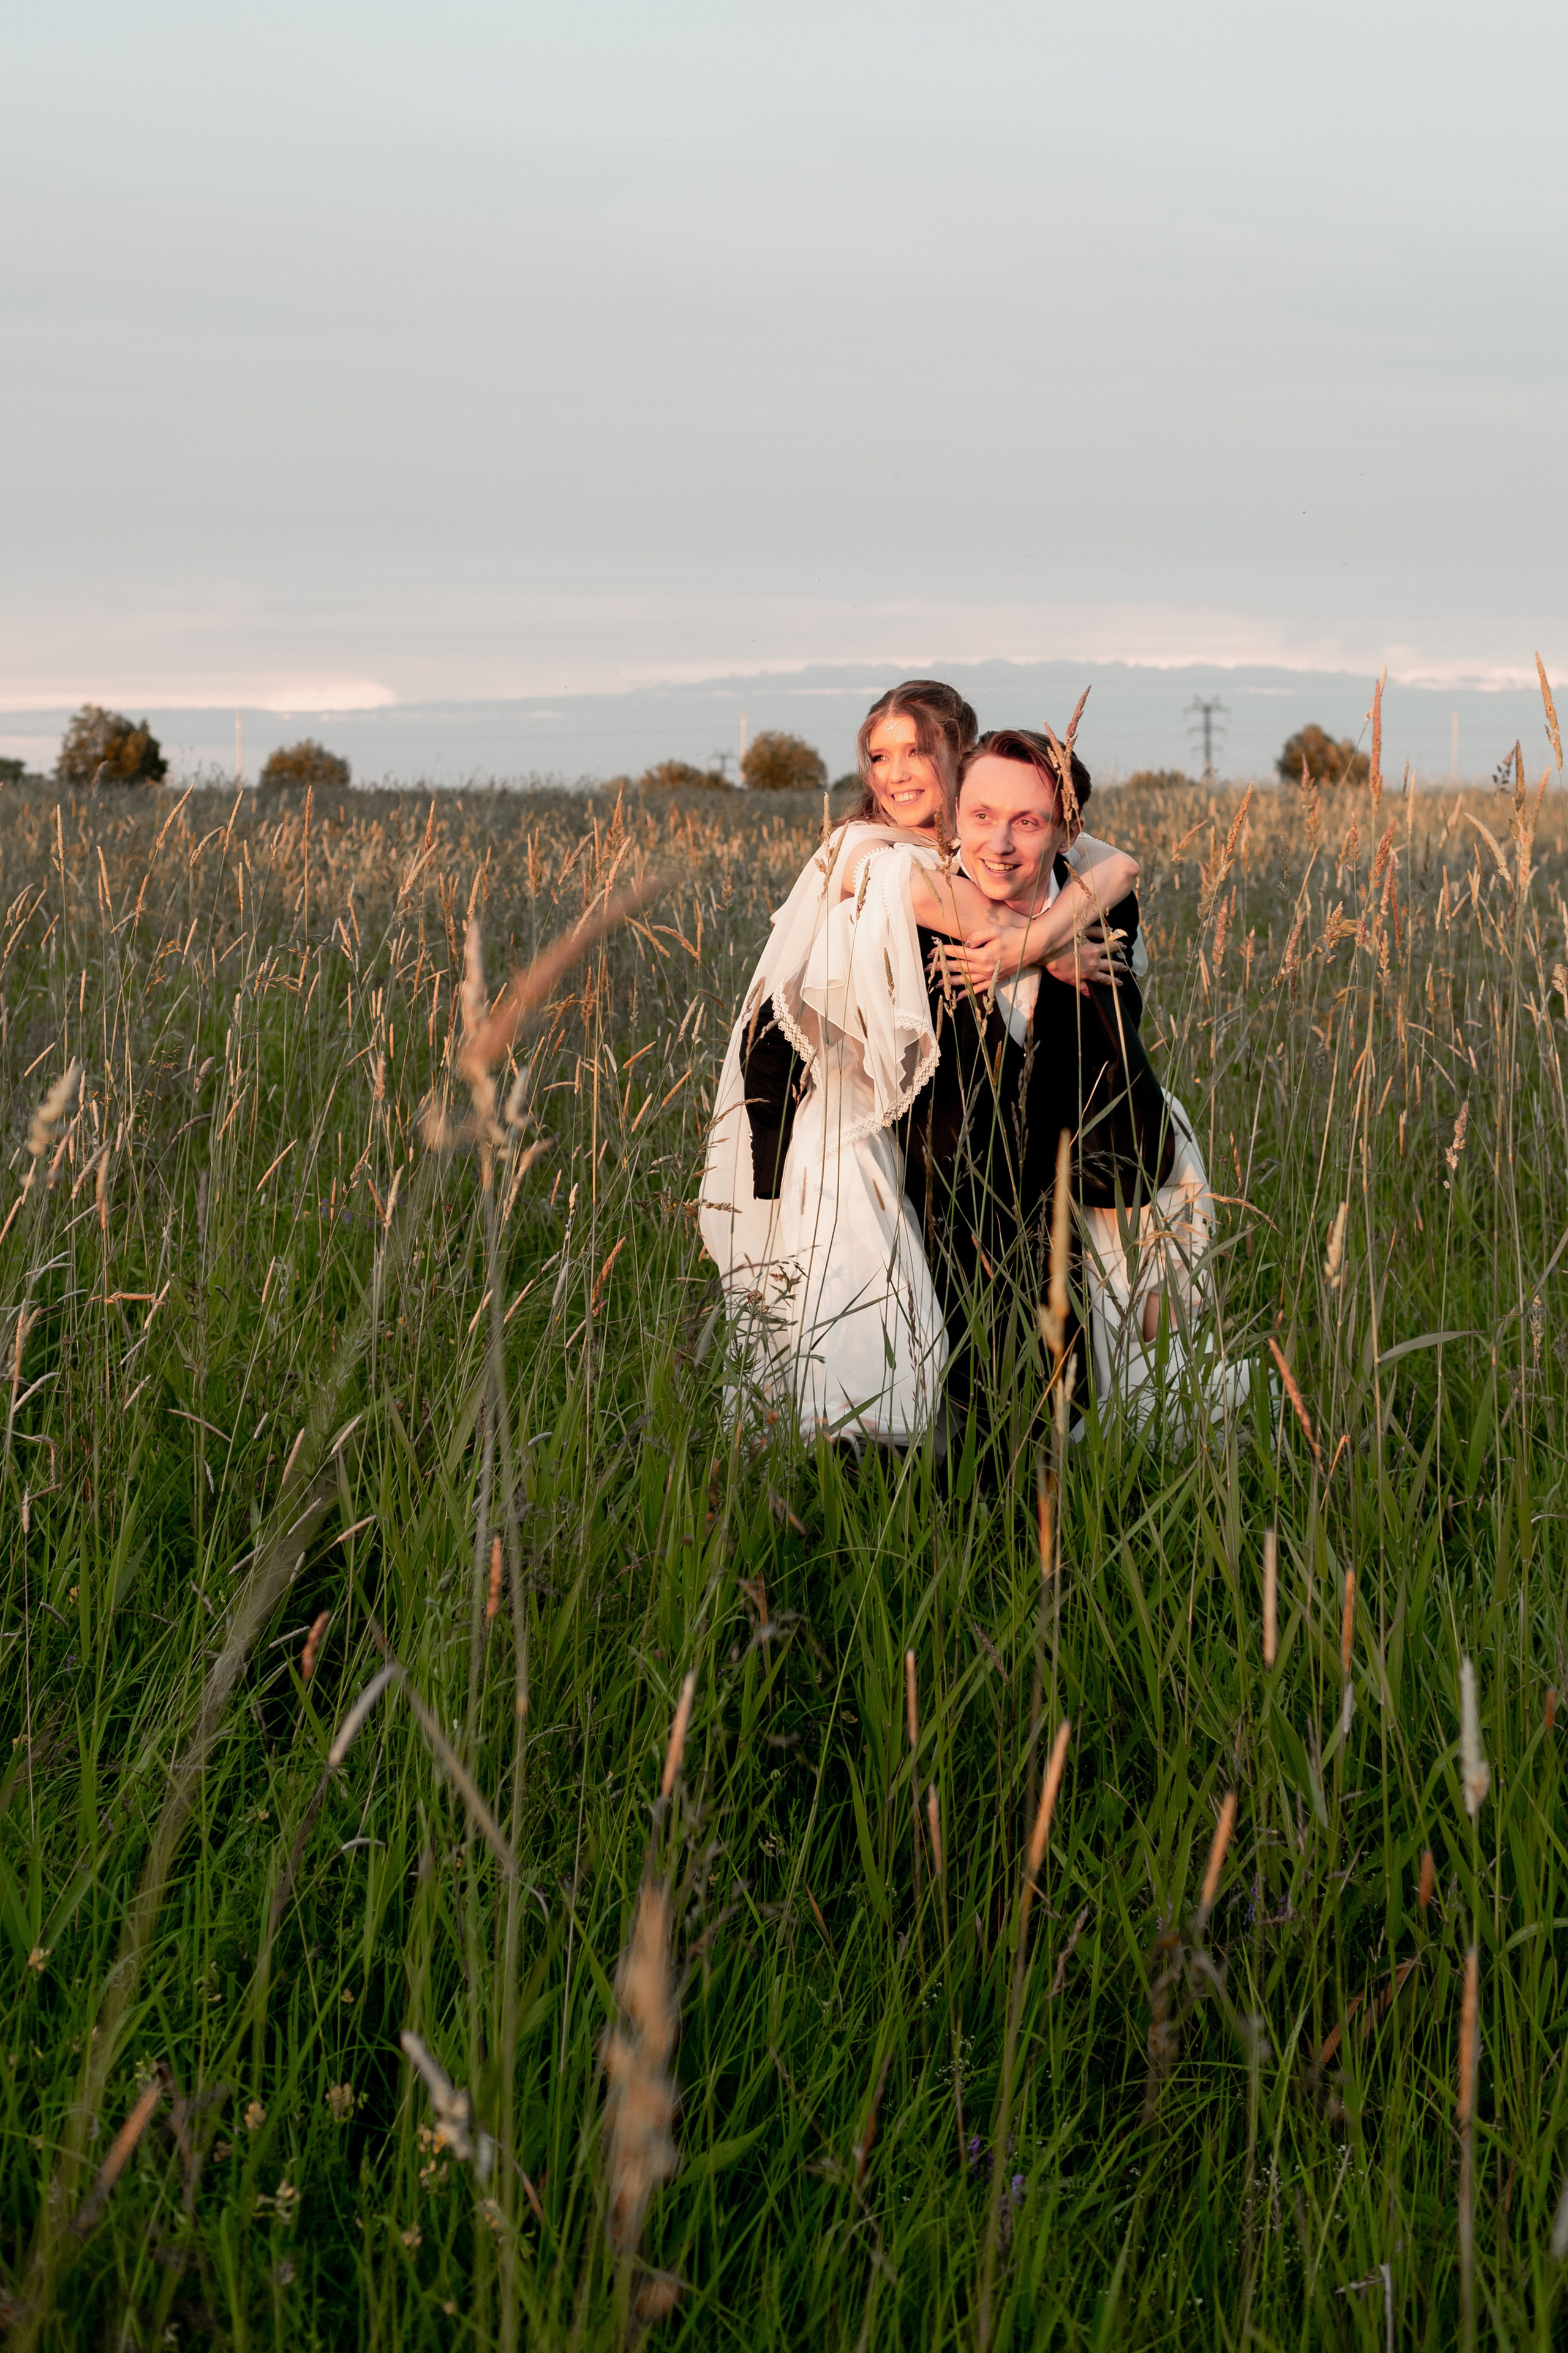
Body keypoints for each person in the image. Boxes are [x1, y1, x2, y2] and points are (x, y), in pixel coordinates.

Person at [698, 681, 1137, 1445]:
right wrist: (1050, 943)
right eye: (878, 756)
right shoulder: (865, 851)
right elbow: (985, 918)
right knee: (875, 1296)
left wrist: (1048, 916)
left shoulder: (975, 835)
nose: (896, 773)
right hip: (851, 1105)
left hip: (956, 1109)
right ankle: (875, 1449)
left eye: (915, 752)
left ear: (961, 758)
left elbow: (1119, 867)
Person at [914, 727, 1245, 1436]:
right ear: (952, 819)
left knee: (1119, 1378)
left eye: (1027, 822)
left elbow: (1115, 1031)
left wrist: (1037, 947)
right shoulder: (919, 908)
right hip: (951, 1193)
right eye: (980, 816)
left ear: (1067, 832)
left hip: (1096, 1167)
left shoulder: (1104, 910)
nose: (999, 843)